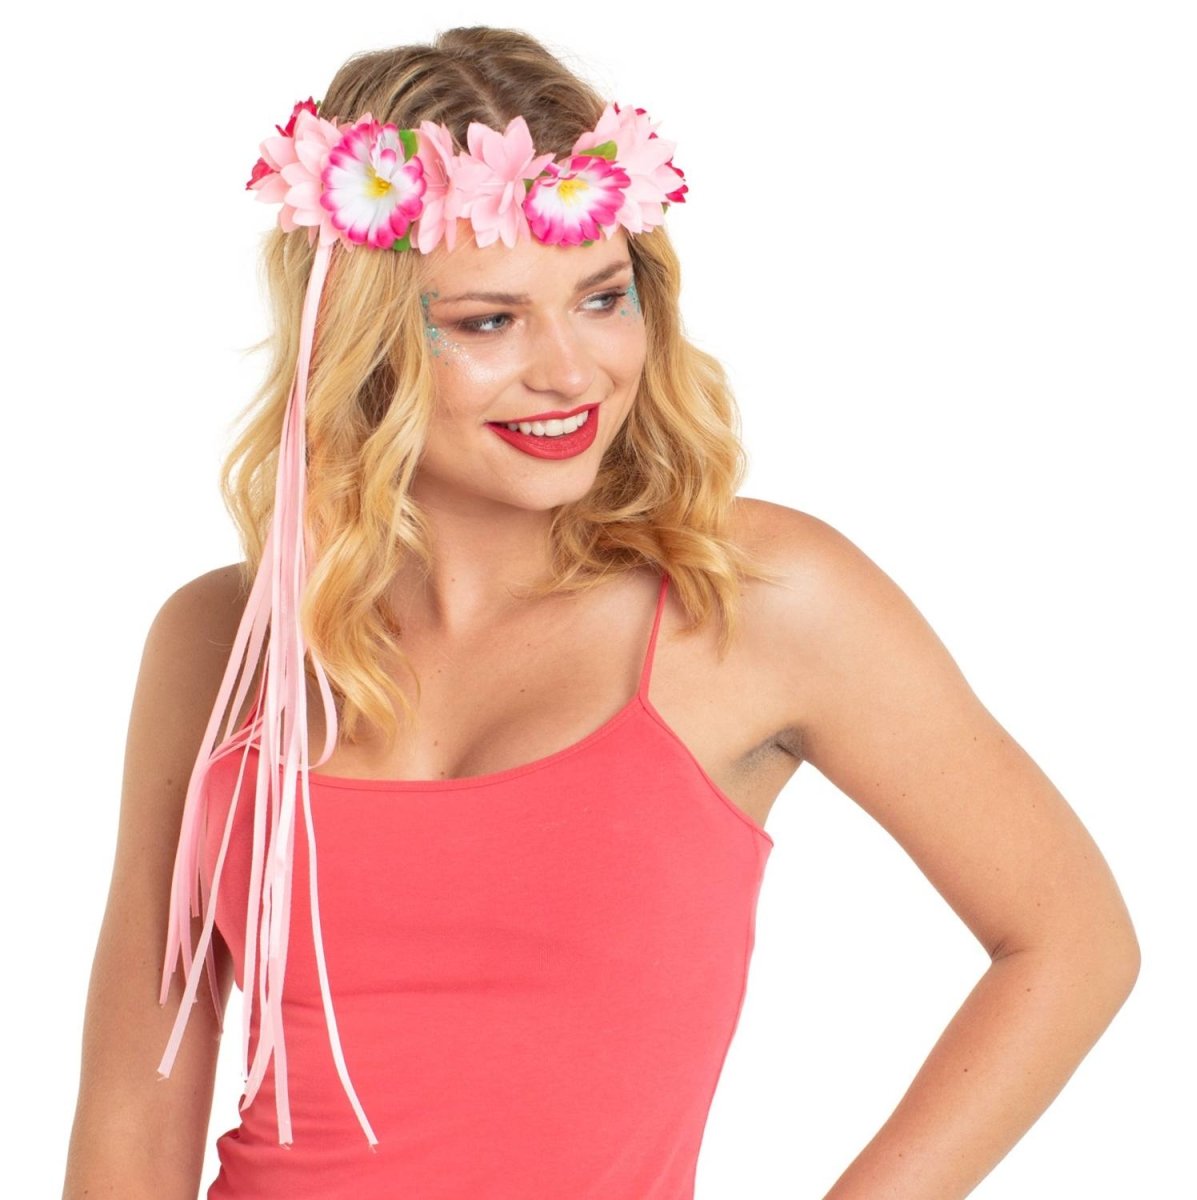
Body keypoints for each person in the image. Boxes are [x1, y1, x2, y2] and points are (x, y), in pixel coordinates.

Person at [62, 24, 1140, 1200]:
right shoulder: (224, 642)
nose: (571, 372)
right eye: (489, 320)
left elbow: (1070, 941)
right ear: (357, 343)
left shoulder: (752, 601)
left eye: (601, 297)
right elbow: (134, 1112)